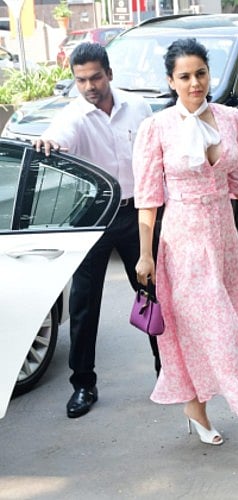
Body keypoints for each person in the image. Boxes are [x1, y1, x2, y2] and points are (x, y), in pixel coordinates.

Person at [132, 38, 238, 468]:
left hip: (224, 242)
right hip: (183, 245)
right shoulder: (157, 128)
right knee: (219, 333)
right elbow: (148, 198)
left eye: (201, 73)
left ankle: (196, 409)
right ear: (171, 81)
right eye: (185, 76)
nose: (195, 83)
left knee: (227, 331)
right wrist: (146, 255)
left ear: (210, 74)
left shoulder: (231, 119)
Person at [34, 42, 156, 419]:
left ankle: (169, 372)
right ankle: (83, 385)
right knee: (84, 305)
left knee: (153, 294)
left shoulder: (138, 107)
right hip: (92, 217)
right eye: (81, 80)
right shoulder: (74, 115)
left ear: (109, 74)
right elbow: (59, 135)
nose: (89, 86)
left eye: (95, 78)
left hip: (137, 215)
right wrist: (49, 142)